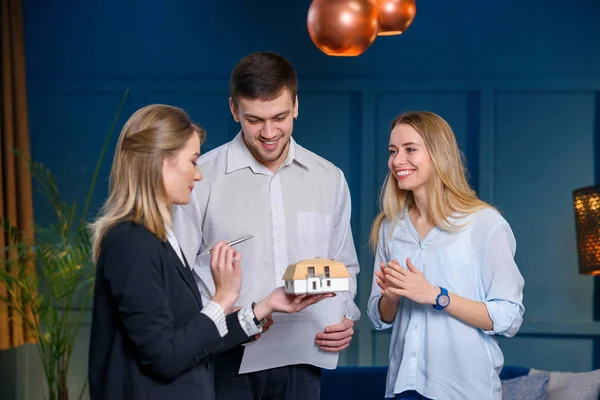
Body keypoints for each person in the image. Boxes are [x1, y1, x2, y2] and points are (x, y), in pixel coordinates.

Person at [88, 104, 330, 400]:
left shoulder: (159, 240)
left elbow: (190, 339)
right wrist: (223, 298)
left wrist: (264, 307)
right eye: (192, 161)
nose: (198, 175)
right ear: (162, 162)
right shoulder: (129, 242)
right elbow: (165, 357)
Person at [173, 51, 360, 400]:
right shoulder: (200, 179)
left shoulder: (329, 179)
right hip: (224, 359)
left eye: (281, 117)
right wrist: (231, 322)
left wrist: (346, 317)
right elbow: (178, 277)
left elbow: (343, 267)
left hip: (306, 361)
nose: (270, 132)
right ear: (234, 110)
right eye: (255, 120)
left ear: (296, 106)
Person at [367, 111, 525, 400]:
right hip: (403, 388)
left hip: (464, 391)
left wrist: (436, 295)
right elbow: (379, 317)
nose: (396, 161)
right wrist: (391, 296)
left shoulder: (484, 223)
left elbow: (509, 316)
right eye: (393, 151)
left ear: (438, 154)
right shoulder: (390, 226)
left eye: (410, 149)